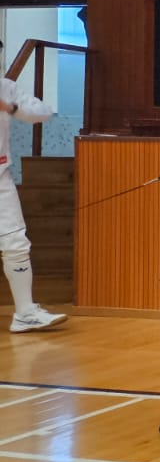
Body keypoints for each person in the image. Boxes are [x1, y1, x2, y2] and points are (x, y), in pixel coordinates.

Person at [1, 49, 66, 333]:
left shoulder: (6, 88)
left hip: (1, 175)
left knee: (15, 242)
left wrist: (10, 108)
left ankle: (25, 312)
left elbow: (44, 112)